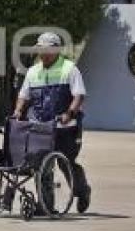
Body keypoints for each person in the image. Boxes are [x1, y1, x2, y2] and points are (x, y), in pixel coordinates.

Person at [13, 31, 92, 213]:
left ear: (56, 50)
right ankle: (46, 205)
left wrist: (70, 113)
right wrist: (18, 110)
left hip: (65, 128)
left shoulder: (69, 68)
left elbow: (79, 95)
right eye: (40, 49)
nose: (42, 53)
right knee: (42, 165)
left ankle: (82, 191)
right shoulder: (33, 71)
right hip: (40, 128)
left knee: (66, 163)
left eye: (47, 49)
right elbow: (24, 96)